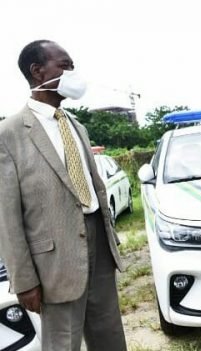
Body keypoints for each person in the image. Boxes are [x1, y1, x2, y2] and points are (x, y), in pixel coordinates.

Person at [0, 40, 126, 351]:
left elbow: (93, 185)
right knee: (62, 344)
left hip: (98, 243)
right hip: (53, 264)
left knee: (109, 338)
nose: (72, 73)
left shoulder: (76, 126)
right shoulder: (10, 134)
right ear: (37, 71)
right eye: (65, 66)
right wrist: (24, 279)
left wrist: (110, 240)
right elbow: (7, 217)